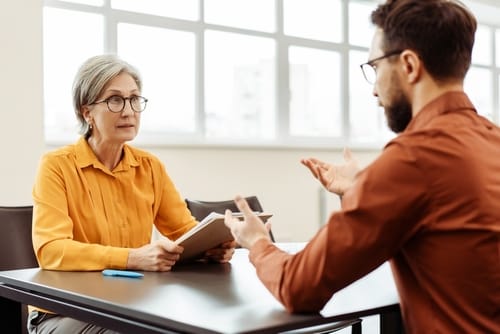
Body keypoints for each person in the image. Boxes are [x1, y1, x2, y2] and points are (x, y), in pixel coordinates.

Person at [224, 0, 500, 332]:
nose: (374, 90)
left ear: (409, 65)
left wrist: (257, 242)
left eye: (376, 67)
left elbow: (298, 287)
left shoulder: (412, 159)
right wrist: (361, 191)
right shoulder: (492, 140)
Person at [30, 54, 236, 333]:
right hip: (64, 312)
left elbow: (184, 232)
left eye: (134, 99)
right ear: (86, 112)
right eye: (114, 100)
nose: (128, 111)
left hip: (130, 306)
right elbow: (52, 251)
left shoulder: (149, 167)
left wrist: (212, 246)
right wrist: (132, 258)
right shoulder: (57, 166)